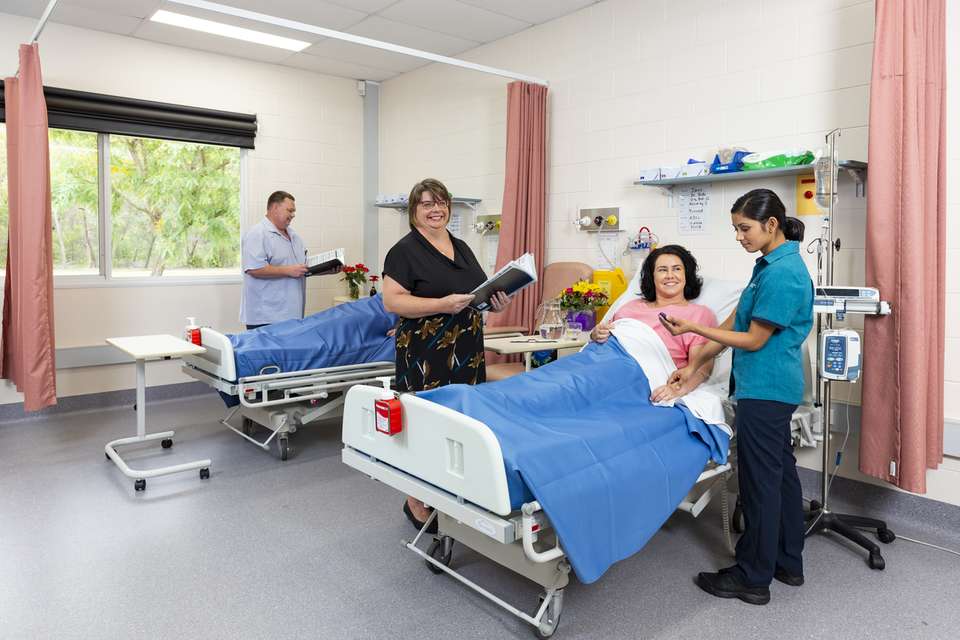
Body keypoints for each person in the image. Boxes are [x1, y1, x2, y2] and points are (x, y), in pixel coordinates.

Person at [659, 188, 813, 606]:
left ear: (771, 224)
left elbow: (751, 338)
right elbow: (735, 318)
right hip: (767, 390)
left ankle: (752, 576)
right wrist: (694, 364)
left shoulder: (784, 273)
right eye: (736, 229)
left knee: (760, 484)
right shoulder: (768, 265)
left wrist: (694, 329)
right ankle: (787, 562)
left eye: (744, 228)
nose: (740, 236)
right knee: (780, 475)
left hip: (765, 390)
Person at [382, 178, 511, 531]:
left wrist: (499, 300)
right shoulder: (404, 251)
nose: (435, 209)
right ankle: (415, 502)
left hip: (466, 349)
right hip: (425, 350)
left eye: (440, 202)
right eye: (426, 204)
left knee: (462, 422)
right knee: (424, 426)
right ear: (414, 211)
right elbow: (392, 301)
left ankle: (453, 494)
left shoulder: (462, 247)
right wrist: (441, 304)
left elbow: (480, 293)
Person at [590, 244, 718, 402]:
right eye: (663, 270)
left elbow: (702, 369)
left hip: (638, 377)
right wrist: (596, 334)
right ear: (652, 276)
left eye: (677, 269)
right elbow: (607, 340)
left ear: (687, 275)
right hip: (601, 365)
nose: (670, 275)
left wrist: (678, 389)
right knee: (562, 380)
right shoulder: (630, 307)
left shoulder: (699, 315)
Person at [240, 191, 310, 330]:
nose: (292, 215)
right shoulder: (257, 234)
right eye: (289, 210)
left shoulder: (294, 236)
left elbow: (302, 268)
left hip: (292, 315)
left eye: (294, 211)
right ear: (274, 208)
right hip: (266, 317)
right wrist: (288, 271)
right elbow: (254, 269)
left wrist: (326, 268)